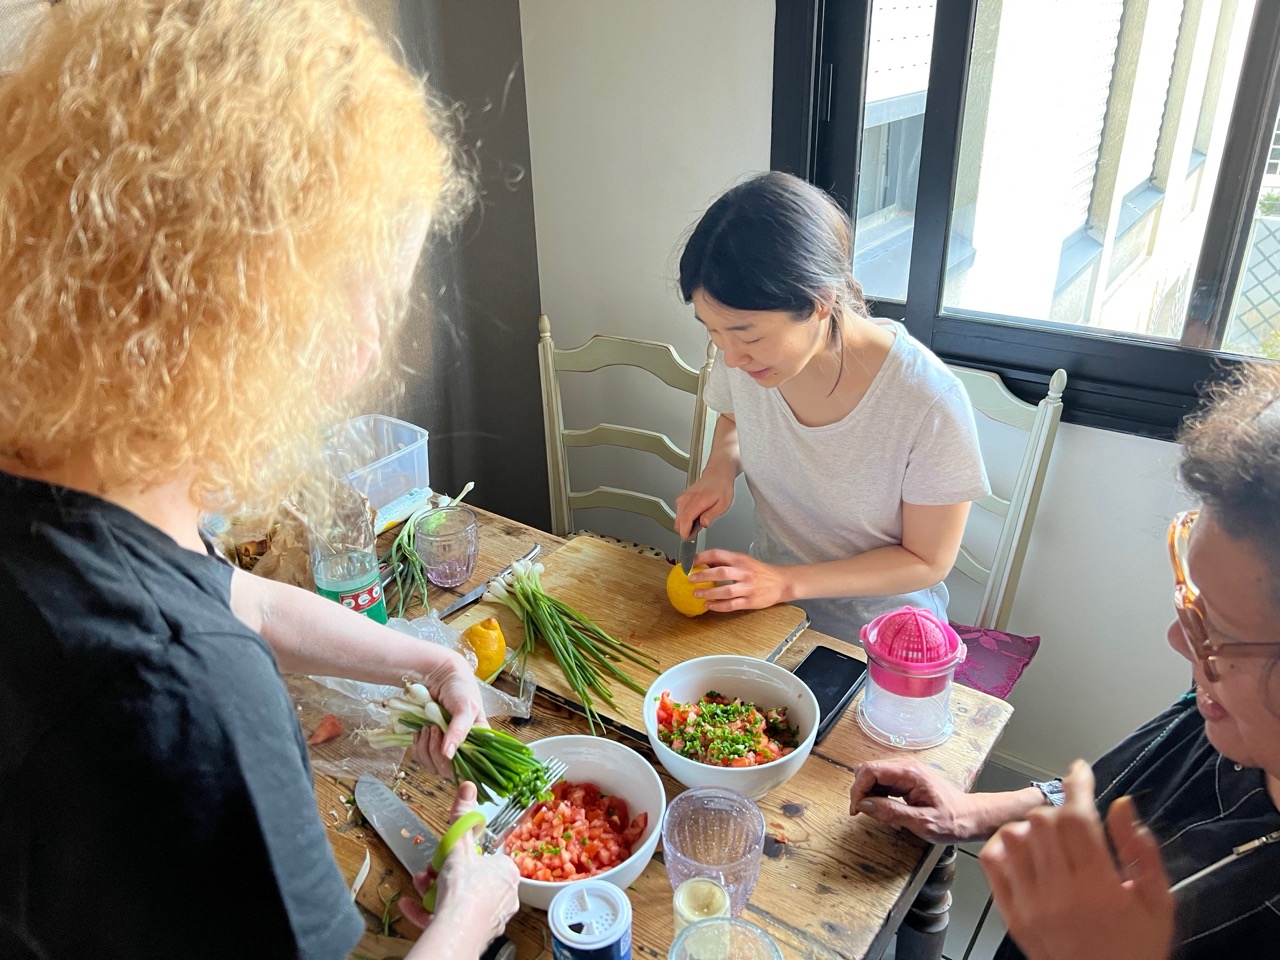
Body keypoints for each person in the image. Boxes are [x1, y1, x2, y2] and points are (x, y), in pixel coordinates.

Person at [0, 2, 517, 959]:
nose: (368, 348)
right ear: (245, 302)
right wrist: (468, 916)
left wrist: (426, 662)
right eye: (368, 294)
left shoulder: (62, 473)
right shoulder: (187, 695)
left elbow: (236, 597)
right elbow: (197, 630)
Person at [849, 363, 1280, 958]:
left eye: (1218, 632)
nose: (1180, 642)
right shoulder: (1230, 708)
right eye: (1193, 605)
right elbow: (1121, 784)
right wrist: (973, 810)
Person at [673, 171, 989, 641]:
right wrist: (719, 469)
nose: (731, 357)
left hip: (884, 639)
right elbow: (735, 418)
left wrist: (785, 581)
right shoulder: (748, 361)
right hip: (774, 615)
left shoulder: (928, 401)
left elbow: (927, 560)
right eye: (712, 331)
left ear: (820, 301)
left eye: (747, 336)